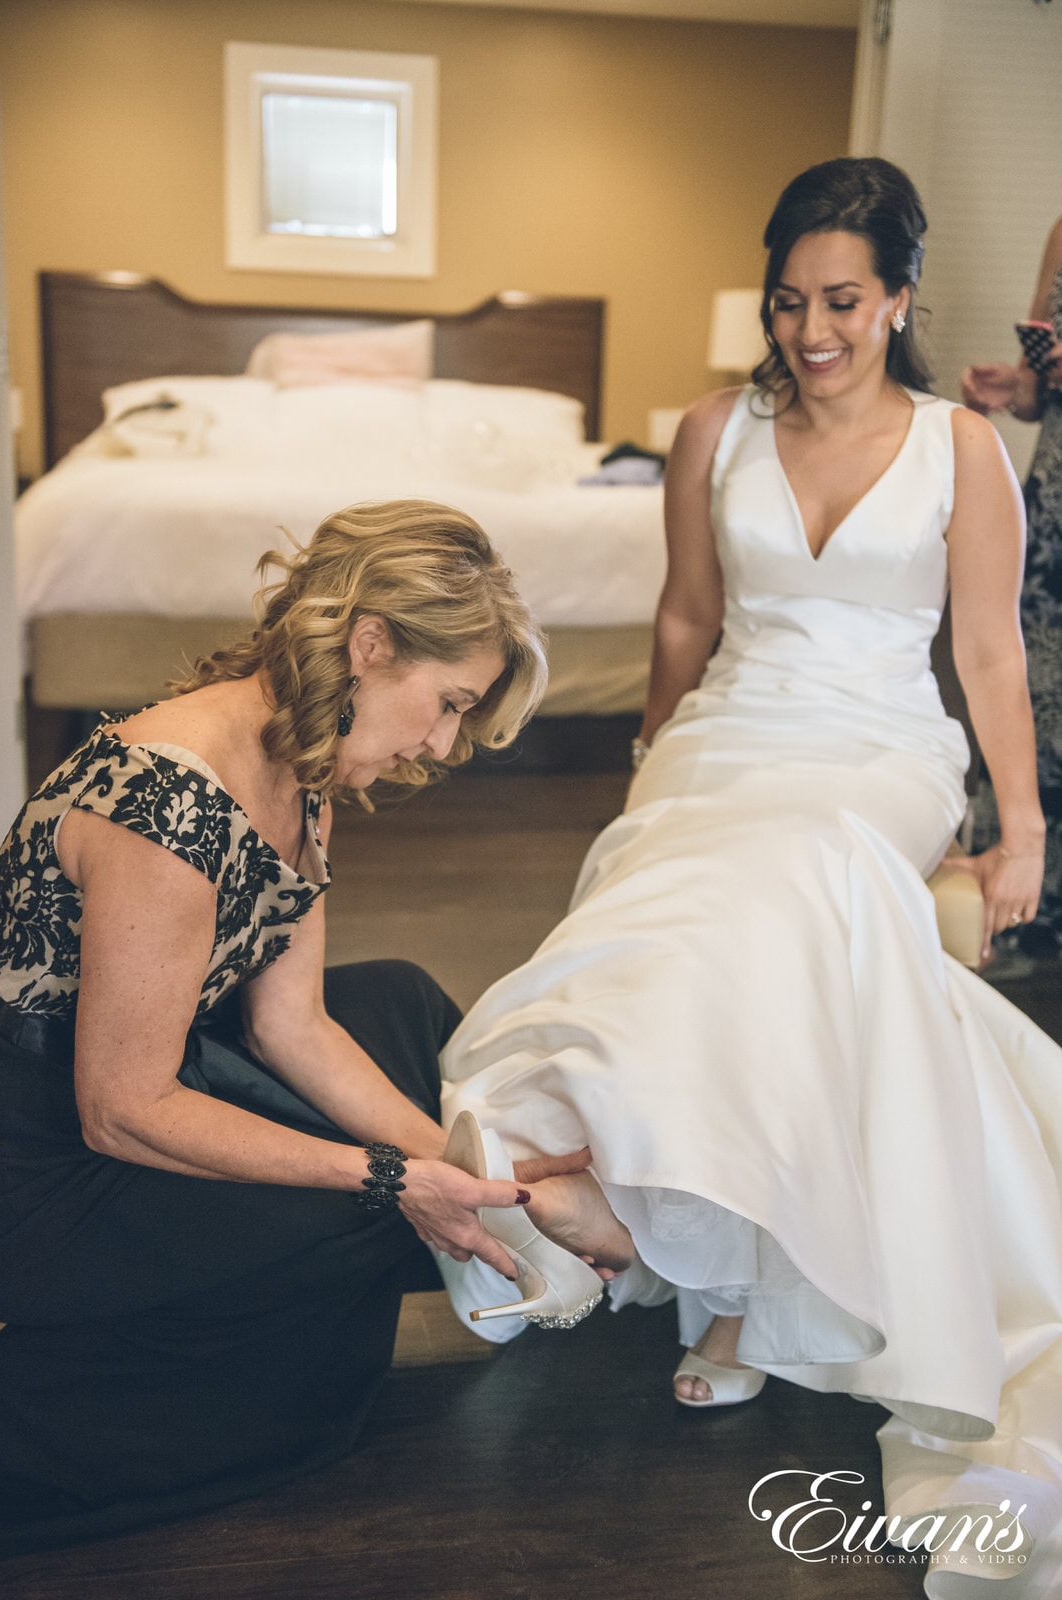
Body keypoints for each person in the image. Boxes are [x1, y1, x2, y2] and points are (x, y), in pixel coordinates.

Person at [438, 161, 1062, 1591]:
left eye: (842, 302)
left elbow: (984, 657)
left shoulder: (965, 448)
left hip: (881, 755)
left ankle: (684, 1257)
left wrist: (1018, 828)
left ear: (900, 297)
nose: (812, 330)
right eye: (790, 302)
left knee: (802, 875)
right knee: (688, 885)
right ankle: (664, 1231)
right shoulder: (711, 430)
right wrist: (652, 769)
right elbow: (682, 619)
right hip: (728, 732)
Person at [0, 498, 569, 1553]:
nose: (441, 744)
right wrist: (392, 1179)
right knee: (359, 1210)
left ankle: (474, 1234)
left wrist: (478, 1176)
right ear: (369, 644)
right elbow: (120, 1109)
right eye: (444, 704)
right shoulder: (167, 807)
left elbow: (291, 1027)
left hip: (163, 1065)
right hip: (36, 1164)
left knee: (392, 999)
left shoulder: (302, 777)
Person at [961, 217, 1062, 972]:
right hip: (1055, 505)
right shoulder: (1060, 231)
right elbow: (1046, 386)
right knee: (1038, 699)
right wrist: (1021, 387)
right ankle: (1028, 910)